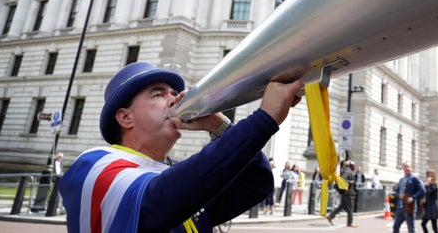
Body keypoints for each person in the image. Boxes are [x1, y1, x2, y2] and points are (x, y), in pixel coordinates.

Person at [58, 61, 303, 233]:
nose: (175, 99)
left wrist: (218, 126)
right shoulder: (95, 165)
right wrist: (264, 117)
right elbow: (160, 201)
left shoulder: (171, 171)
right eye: (158, 95)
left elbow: (255, 185)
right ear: (125, 118)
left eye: (174, 92)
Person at [393, 160, 426, 233]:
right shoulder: (401, 180)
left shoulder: (414, 178)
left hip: (409, 207)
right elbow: (397, 191)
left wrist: (413, 197)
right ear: (403, 168)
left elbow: (423, 190)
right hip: (400, 208)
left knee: (411, 229)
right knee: (395, 227)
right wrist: (398, 195)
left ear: (411, 168)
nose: (406, 168)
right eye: (405, 167)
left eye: (408, 167)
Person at [327, 160, 357, 227]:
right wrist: (351, 182)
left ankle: (331, 216)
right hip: (347, 192)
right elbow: (343, 179)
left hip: (345, 192)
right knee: (350, 207)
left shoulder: (347, 170)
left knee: (342, 205)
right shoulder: (347, 171)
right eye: (353, 165)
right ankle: (350, 223)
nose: (354, 166)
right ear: (351, 165)